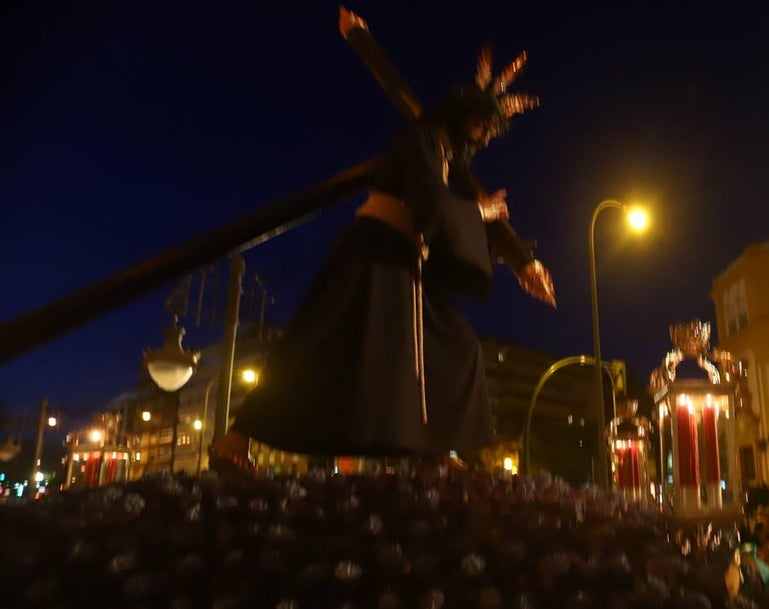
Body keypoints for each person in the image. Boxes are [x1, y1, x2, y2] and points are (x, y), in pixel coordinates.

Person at [210, 38, 548, 471]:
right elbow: (428, 203)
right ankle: (235, 439)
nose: (484, 138)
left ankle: (435, 451)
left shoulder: (442, 151)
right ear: (466, 116)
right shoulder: (424, 138)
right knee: (315, 343)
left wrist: (503, 249)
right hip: (373, 252)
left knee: (453, 345)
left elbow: (439, 216)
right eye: (484, 126)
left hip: (404, 260)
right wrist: (479, 213)